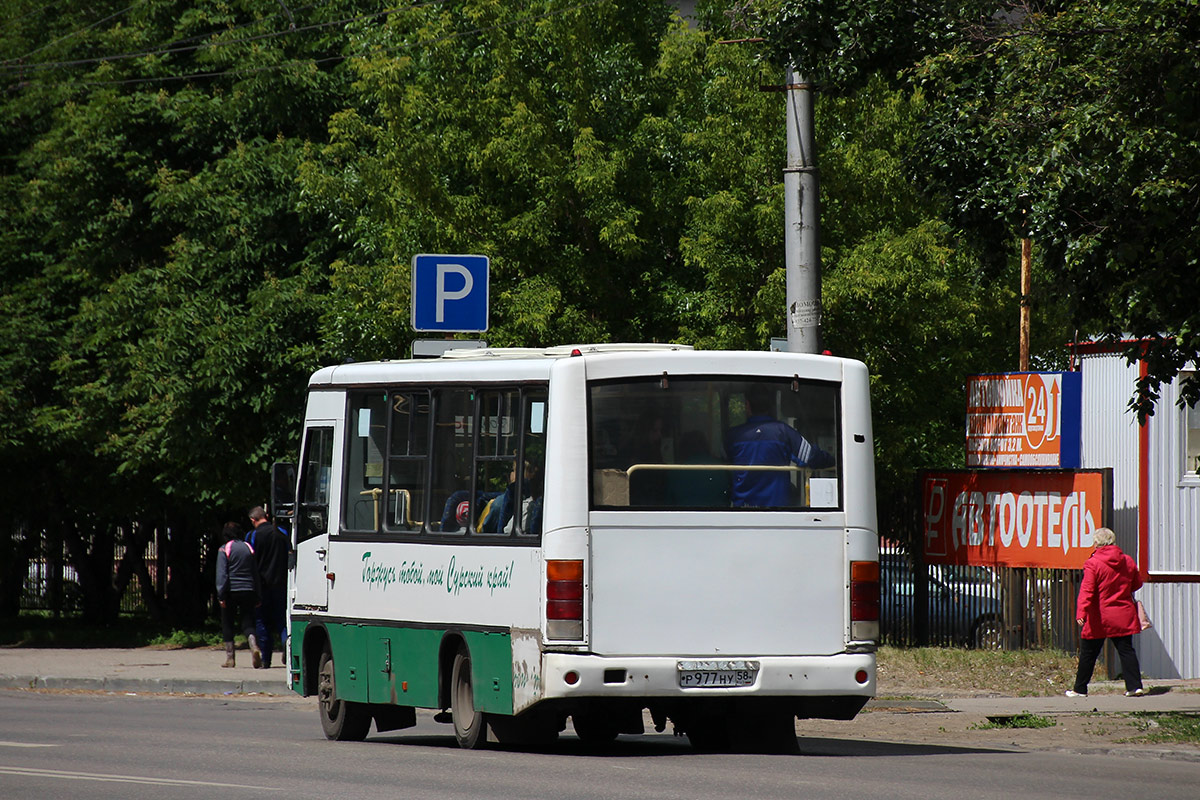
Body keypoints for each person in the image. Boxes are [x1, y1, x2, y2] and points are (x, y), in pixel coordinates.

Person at [1066, 527, 1146, 698]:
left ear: (1096, 543)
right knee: (1126, 650)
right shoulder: (1128, 561)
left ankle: (1080, 689)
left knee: (1089, 653)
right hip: (1123, 613)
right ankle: (1135, 686)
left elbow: (1087, 590)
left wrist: (1081, 612)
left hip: (1099, 616)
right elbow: (1137, 583)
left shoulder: (1093, 563)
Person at [724, 386, 835, 507]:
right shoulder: (784, 432)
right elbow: (811, 457)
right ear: (770, 406)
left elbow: (724, 464)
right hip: (778, 509)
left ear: (747, 405)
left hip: (741, 510)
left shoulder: (733, 436)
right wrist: (835, 461)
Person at [246, 506, 290, 669]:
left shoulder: (253, 535)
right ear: (267, 516)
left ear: (253, 520)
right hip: (281, 583)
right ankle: (286, 642)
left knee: (262, 621)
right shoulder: (281, 532)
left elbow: (250, 560)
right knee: (282, 619)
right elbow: (290, 554)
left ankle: (266, 659)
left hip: (261, 586)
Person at [215, 521, 260, 668]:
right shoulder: (248, 548)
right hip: (248, 589)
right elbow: (255, 573)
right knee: (248, 621)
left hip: (231, 592)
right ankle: (253, 645)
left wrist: (221, 594)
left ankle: (230, 658)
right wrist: (257, 594)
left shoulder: (224, 549)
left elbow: (222, 574)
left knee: (227, 622)